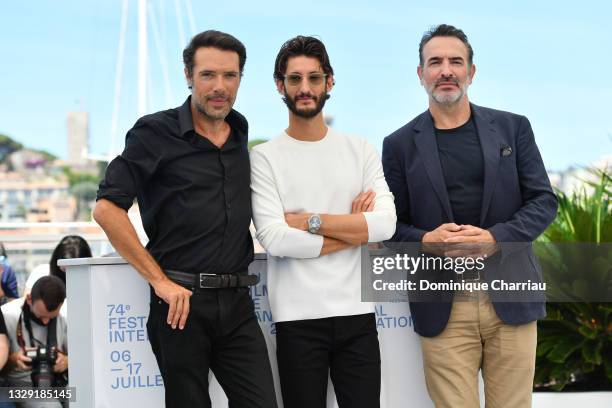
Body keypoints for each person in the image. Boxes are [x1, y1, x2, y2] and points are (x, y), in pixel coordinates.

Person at [93, 30, 277, 408]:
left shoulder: (240, 131)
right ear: (188, 75)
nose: (219, 86)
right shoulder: (154, 132)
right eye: (208, 75)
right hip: (180, 304)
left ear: (241, 78)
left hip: (238, 304)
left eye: (230, 76)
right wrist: (160, 282)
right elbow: (107, 209)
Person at [382, 24, 558, 408]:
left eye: (455, 61)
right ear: (421, 74)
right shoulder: (397, 145)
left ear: (471, 72)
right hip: (442, 304)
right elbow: (390, 227)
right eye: (435, 62)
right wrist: (426, 239)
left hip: (511, 297)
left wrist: (495, 238)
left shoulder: (514, 128)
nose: (446, 70)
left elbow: (544, 201)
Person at [250, 35, 396, 408]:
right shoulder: (264, 157)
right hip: (297, 320)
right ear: (279, 85)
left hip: (357, 315)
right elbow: (276, 239)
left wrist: (310, 221)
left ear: (329, 82)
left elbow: (385, 225)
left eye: (314, 78)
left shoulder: (359, 148)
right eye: (294, 79)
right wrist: (352, 228)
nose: (304, 88)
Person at [1, 276, 68, 408]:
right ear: (29, 298)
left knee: (82, 400)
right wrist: (13, 359)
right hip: (21, 383)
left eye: (52, 317)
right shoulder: (7, 314)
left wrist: (67, 360)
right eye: (41, 316)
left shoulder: (66, 316)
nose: (45, 322)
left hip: (58, 381)